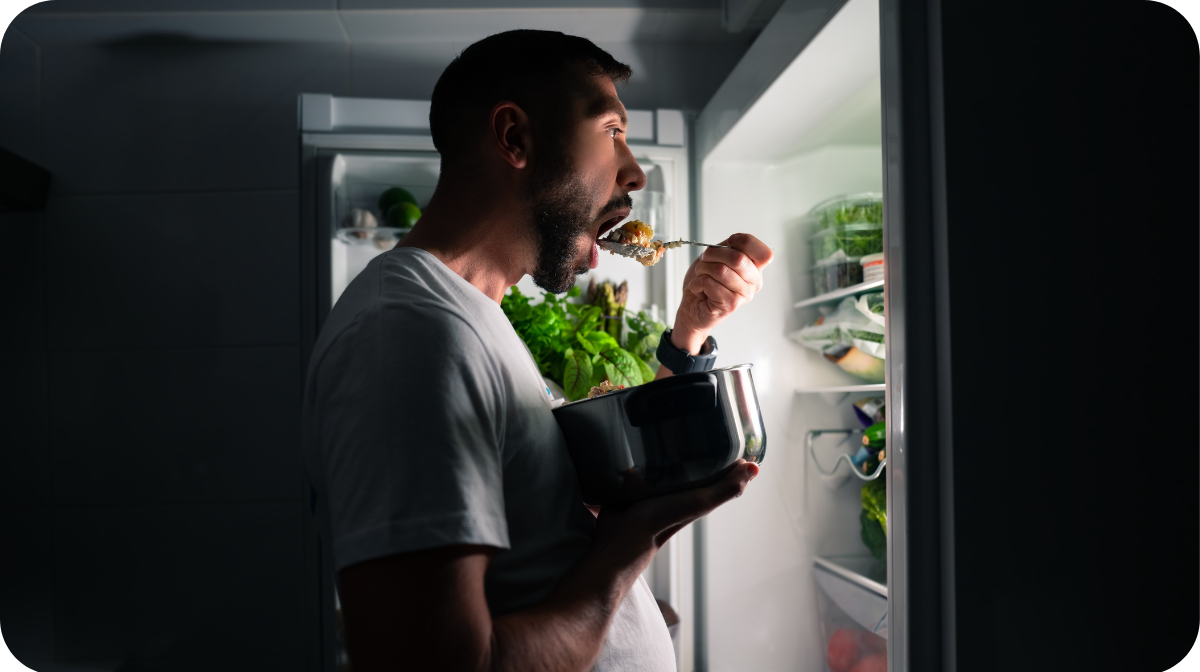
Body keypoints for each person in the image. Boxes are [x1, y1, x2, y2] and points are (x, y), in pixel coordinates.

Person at [302, 29, 773, 672]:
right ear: (515, 138)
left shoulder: (471, 317)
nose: (634, 170)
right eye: (612, 131)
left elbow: (544, 530)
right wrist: (625, 547)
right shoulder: (407, 334)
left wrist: (690, 328)